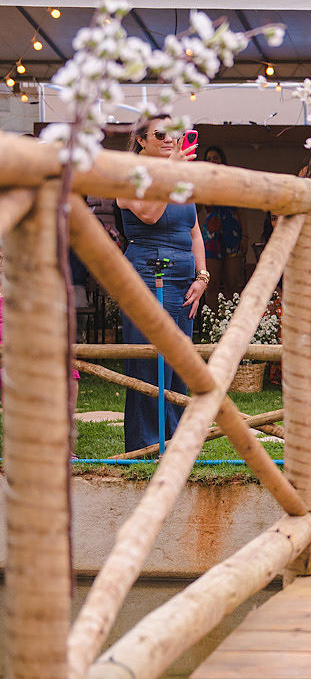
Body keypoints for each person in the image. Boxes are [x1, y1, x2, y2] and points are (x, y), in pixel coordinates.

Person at [117, 115, 207, 452]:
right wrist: (169, 170)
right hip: (147, 270)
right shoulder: (129, 174)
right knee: (148, 360)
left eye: (176, 132)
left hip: (185, 275)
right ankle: (145, 448)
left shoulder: (181, 173)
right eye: (160, 134)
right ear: (141, 139)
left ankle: (175, 444)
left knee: (179, 363)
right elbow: (149, 214)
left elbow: (194, 229)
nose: (170, 139)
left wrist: (202, 276)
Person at [197, 145, 248, 308]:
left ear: (223, 161)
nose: (212, 161)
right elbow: (195, 209)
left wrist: (245, 236)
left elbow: (241, 211)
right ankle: (213, 327)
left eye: (216, 158)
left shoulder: (232, 182)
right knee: (211, 284)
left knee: (232, 283)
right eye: (209, 159)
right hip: (211, 237)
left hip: (232, 235)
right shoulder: (203, 183)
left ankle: (230, 324)